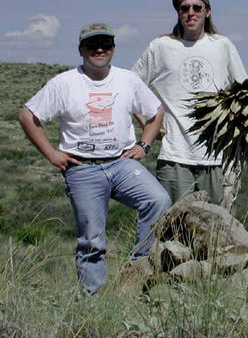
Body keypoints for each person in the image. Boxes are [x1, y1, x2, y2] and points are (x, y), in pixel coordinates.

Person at [18, 23, 171, 294]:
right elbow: (28, 116)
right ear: (81, 50)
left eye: (105, 44)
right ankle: (93, 302)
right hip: (82, 168)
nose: (99, 50)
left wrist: (144, 145)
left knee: (158, 200)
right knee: (91, 239)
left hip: (121, 162)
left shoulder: (128, 80)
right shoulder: (64, 83)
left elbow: (155, 111)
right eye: (92, 45)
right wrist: (52, 153)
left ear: (113, 48)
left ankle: (138, 268)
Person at [132, 0, 248, 209]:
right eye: (184, 8)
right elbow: (131, 87)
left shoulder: (222, 45)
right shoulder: (162, 46)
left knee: (216, 229)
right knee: (174, 225)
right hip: (175, 155)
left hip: (216, 157)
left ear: (208, 11)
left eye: (197, 7)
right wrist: (147, 124)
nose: (190, 13)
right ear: (178, 13)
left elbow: (244, 91)